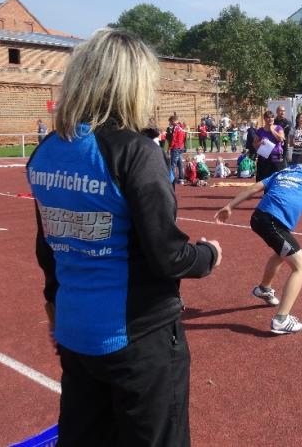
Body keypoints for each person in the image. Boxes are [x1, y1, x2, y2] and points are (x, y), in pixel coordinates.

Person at [28, 28, 222, 446]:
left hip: (76, 329)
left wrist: (54, 307)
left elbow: (48, 248)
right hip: (137, 335)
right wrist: (208, 255)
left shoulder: (46, 151)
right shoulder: (135, 151)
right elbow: (168, 255)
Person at [215, 148, 302, 334]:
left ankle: (264, 288)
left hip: (260, 217)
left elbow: (253, 188)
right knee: (301, 266)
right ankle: (281, 319)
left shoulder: (282, 172)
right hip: (272, 222)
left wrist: (230, 206)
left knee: (281, 253)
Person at [254, 110, 285, 182]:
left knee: (276, 180)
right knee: (262, 180)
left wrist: (272, 130)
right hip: (263, 159)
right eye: (268, 117)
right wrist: (260, 142)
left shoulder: (278, 128)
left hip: (276, 158)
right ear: (264, 119)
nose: (270, 119)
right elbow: (254, 144)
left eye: (272, 117)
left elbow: (281, 139)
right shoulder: (260, 130)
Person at [168, 115, 187, 184]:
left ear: (173, 121)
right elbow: (184, 137)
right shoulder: (181, 127)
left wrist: (169, 147)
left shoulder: (176, 128)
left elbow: (174, 139)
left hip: (176, 148)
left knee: (173, 164)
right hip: (181, 147)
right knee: (180, 163)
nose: (170, 123)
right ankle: (181, 179)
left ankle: (172, 179)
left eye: (170, 122)